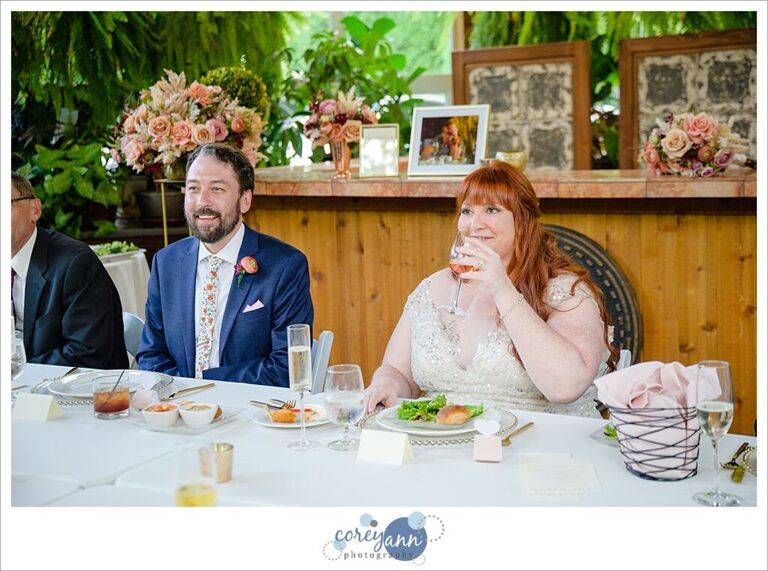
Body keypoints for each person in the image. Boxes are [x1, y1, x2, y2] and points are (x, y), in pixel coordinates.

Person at [365, 160, 618, 417]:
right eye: (467, 211)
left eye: (491, 210)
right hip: (442, 442)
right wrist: (387, 384)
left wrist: (501, 288)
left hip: (541, 445)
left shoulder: (566, 292)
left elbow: (566, 387)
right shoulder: (431, 289)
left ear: (522, 221)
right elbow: (397, 372)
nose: (474, 224)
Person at [137, 144, 314, 385]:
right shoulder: (166, 263)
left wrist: (206, 384)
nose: (202, 201)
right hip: (179, 410)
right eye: (193, 189)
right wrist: (186, 398)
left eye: (217, 189)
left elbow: (288, 368)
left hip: (251, 413)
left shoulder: (285, 266)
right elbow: (150, 355)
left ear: (245, 200)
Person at [10, 173, 128, 368]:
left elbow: (87, 353)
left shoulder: (76, 264)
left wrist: (16, 372)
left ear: (35, 210)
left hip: (80, 392)